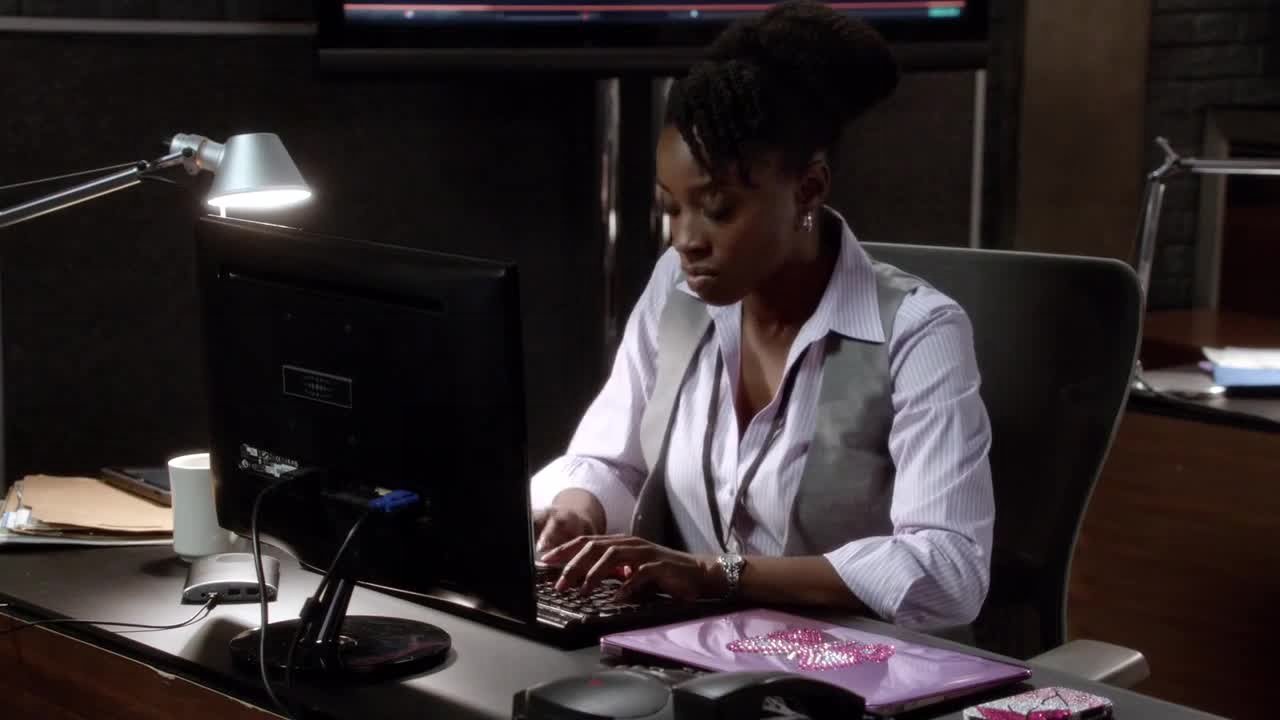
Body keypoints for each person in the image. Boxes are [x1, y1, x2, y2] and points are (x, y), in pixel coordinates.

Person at [530, 0, 994, 631]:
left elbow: (948, 571)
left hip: (847, 667)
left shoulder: (920, 332)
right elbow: (613, 459)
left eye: (718, 210)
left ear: (809, 189)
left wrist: (716, 573)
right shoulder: (676, 288)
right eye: (671, 209)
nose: (686, 240)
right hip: (690, 651)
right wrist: (578, 508)